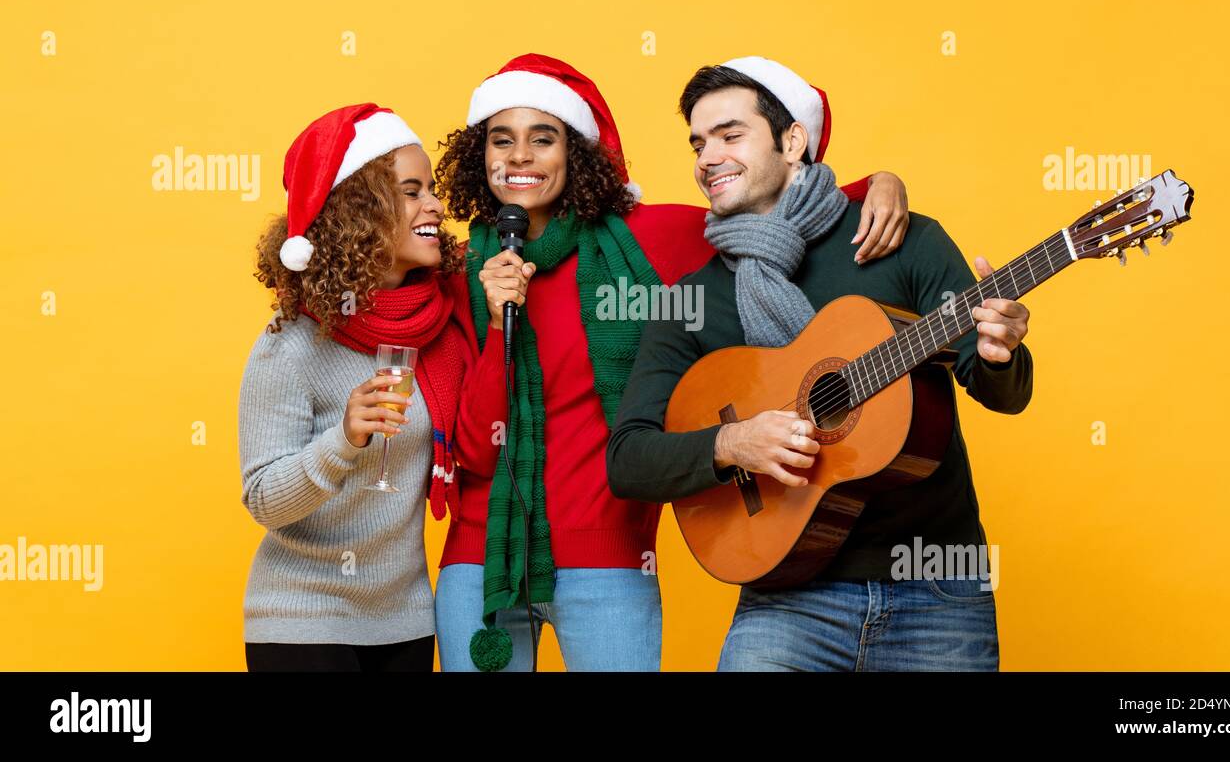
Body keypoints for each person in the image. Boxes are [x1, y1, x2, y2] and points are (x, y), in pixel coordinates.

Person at [431, 54, 912, 671]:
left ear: (573, 152)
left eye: (542, 138)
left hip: (609, 561)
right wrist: (499, 321)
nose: (520, 156)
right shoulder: (456, 272)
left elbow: (783, 203)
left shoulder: (648, 239)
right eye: (503, 140)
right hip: (481, 564)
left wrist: (881, 183)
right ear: (481, 155)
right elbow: (472, 448)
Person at [606, 58, 1034, 672]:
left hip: (940, 594)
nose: (707, 157)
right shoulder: (691, 303)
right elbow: (629, 459)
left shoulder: (897, 238)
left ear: (792, 141)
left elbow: (1002, 392)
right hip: (785, 601)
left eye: (731, 135)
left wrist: (1000, 353)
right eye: (699, 143)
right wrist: (733, 442)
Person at [239, 103, 477, 672]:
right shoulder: (291, 345)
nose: (436, 207)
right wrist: (344, 440)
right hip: (303, 621)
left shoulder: (440, 326)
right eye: (412, 192)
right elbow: (263, 499)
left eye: (433, 190)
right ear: (360, 214)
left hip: (406, 620)